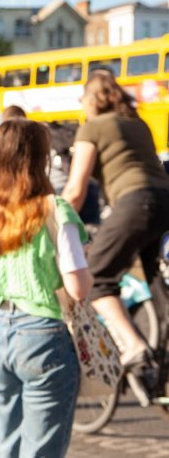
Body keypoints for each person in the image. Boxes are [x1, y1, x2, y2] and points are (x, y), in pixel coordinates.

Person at [0, 118, 92, 457]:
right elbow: (77, 287)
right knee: (41, 447)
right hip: (45, 336)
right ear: (40, 158)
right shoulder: (52, 209)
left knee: (6, 441)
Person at [62, 73, 169, 370]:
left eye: (82, 99)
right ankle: (162, 357)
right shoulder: (138, 124)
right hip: (164, 200)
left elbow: (75, 189)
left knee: (96, 277)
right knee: (155, 279)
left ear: (92, 99)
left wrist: (59, 222)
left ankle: (134, 346)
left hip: (136, 203)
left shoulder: (93, 127)